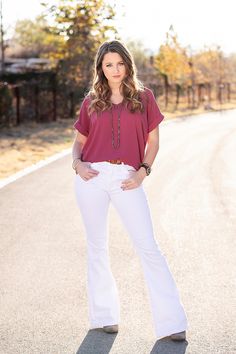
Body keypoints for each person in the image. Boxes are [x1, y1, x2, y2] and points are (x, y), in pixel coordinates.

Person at [72, 39, 188, 341]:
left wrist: (142, 172)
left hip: (127, 176)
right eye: (108, 64)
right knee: (96, 246)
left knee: (148, 245)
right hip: (92, 177)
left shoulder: (144, 98)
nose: (114, 70)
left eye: (119, 63)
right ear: (101, 67)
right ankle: (104, 316)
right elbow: (78, 142)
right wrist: (77, 164)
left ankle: (172, 323)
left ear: (128, 64)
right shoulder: (91, 101)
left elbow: (154, 142)